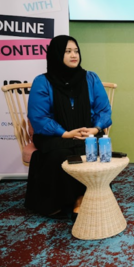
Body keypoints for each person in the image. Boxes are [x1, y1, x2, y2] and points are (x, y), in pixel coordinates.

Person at [26, 35, 112, 219]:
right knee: (60, 154)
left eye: (76, 51)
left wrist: (95, 129)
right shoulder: (43, 82)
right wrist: (64, 133)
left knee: (90, 147)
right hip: (54, 135)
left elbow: (103, 110)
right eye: (67, 51)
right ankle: (65, 201)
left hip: (86, 132)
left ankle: (81, 198)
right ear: (56, 54)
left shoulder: (90, 78)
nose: (74, 55)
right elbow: (38, 117)